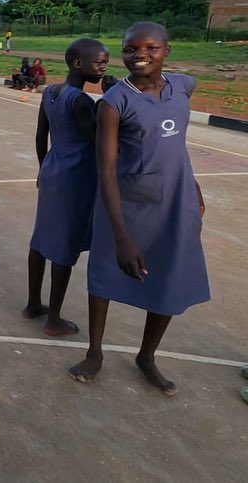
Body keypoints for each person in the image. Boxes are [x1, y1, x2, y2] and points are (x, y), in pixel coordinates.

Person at [69, 22, 209, 397]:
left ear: (167, 50)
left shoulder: (183, 86)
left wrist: (191, 183)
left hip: (175, 201)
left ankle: (146, 356)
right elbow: (107, 169)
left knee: (169, 276)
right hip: (127, 202)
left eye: (150, 48)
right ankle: (94, 352)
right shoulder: (116, 102)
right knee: (104, 276)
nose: (139, 55)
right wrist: (121, 238)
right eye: (131, 49)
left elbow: (175, 142)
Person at [23, 39, 110, 337]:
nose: (103, 67)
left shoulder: (51, 92)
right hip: (76, 179)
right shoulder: (82, 102)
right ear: (77, 64)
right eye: (98, 63)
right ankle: (54, 319)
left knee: (40, 239)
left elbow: (40, 135)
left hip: (52, 171)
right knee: (65, 246)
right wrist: (111, 99)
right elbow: (100, 143)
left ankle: (33, 303)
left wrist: (42, 167)